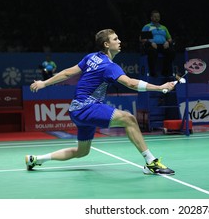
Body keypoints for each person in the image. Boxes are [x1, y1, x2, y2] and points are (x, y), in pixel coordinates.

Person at [26, 29, 175, 175]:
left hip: (76, 110)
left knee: (82, 151)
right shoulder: (109, 66)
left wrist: (44, 83)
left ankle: (37, 159)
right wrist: (159, 87)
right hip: (87, 107)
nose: (119, 41)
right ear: (106, 44)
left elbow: (67, 72)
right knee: (128, 119)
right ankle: (151, 162)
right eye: (115, 39)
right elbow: (130, 83)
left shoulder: (91, 57)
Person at [140, 10, 175, 77]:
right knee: (152, 52)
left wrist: (167, 42)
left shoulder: (164, 27)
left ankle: (165, 72)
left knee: (171, 52)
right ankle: (153, 73)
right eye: (155, 17)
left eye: (158, 17)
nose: (156, 18)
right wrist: (151, 43)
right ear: (151, 18)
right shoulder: (148, 26)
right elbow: (142, 39)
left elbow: (169, 38)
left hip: (163, 46)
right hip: (152, 45)